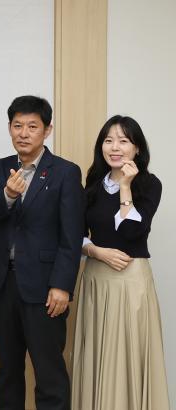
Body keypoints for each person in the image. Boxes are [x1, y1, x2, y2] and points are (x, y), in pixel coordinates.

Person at [0, 95, 84, 410]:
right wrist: (8, 195)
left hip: (45, 288)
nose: (23, 133)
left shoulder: (65, 172)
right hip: (3, 285)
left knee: (49, 374)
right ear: (10, 128)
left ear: (47, 130)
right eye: (17, 125)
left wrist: (62, 285)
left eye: (32, 126)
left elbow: (72, 235)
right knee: (8, 372)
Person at [71, 115, 169, 409]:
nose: (114, 147)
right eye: (108, 140)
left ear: (137, 148)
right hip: (95, 280)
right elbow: (75, 234)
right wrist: (96, 252)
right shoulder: (92, 184)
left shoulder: (149, 185)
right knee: (97, 355)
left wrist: (126, 186)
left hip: (131, 282)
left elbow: (131, 232)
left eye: (123, 141)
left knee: (128, 356)